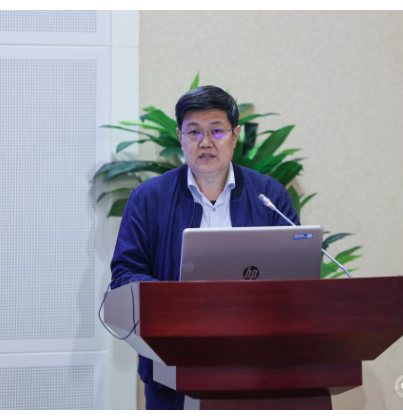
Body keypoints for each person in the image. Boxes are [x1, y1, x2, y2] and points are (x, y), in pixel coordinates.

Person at [108, 85, 299, 410]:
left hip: (255, 363)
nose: (205, 142)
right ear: (180, 137)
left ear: (235, 135)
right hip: (172, 362)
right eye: (194, 131)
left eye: (217, 131)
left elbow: (295, 272)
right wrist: (178, 301)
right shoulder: (149, 198)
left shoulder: (269, 196)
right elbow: (125, 273)